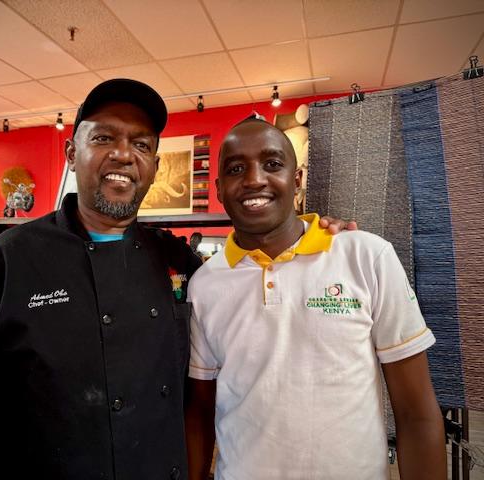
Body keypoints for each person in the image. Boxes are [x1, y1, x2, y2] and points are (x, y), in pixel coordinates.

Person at [0, 79, 352, 479]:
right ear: (71, 153)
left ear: (154, 166)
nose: (123, 155)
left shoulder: (177, 261)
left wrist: (311, 237)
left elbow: (250, 295)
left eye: (141, 144)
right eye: (103, 138)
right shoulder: (9, 260)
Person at [185, 117, 446, 480]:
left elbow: (416, 413)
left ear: (297, 180)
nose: (254, 179)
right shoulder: (205, 284)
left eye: (272, 164)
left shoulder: (367, 257)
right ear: (218, 189)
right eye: (235, 169)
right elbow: (199, 411)